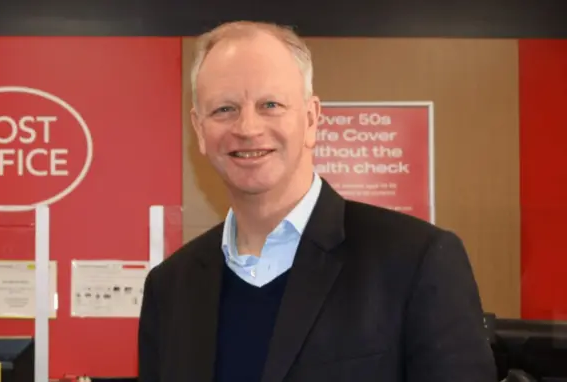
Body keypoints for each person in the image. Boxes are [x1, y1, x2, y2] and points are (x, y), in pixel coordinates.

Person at [138, 21, 496, 382]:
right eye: (224, 109)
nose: (247, 128)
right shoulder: (169, 289)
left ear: (311, 119)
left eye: (271, 104)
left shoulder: (417, 261)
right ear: (200, 130)